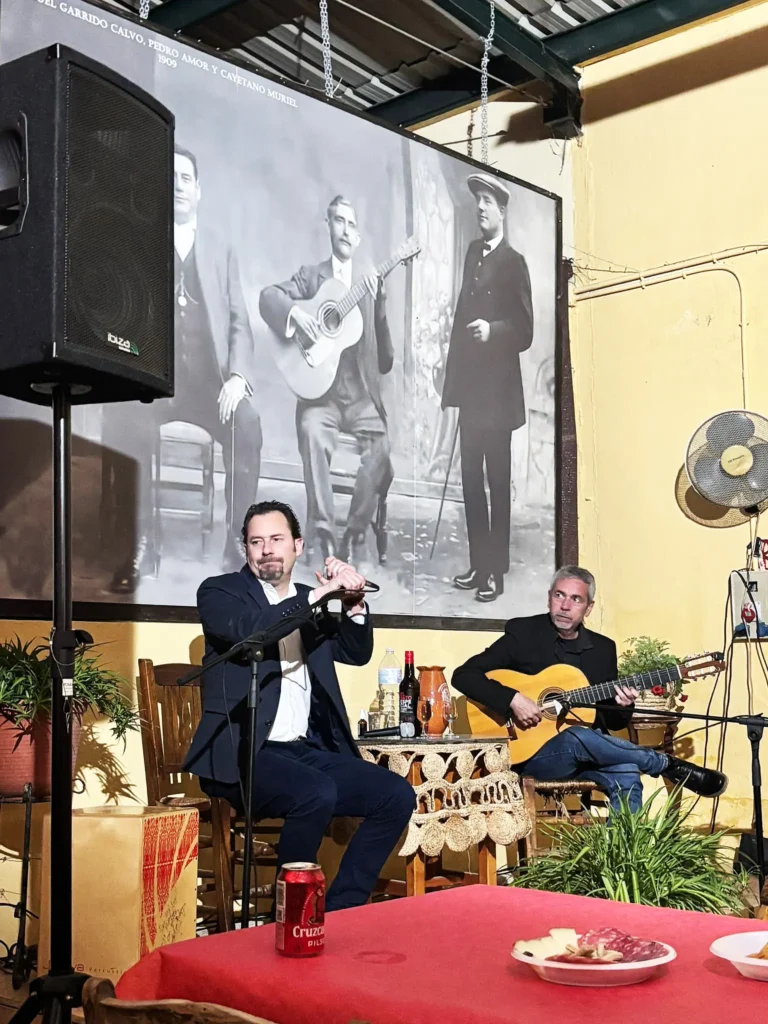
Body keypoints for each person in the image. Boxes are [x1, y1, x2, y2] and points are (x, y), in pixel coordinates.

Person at [184, 499, 414, 911]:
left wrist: (353, 603)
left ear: (298, 545)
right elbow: (251, 631)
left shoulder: (311, 599)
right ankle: (293, 914)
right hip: (242, 754)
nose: (266, 550)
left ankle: (341, 910)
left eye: (276, 539)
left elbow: (354, 653)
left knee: (395, 794)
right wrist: (322, 594)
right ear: (245, 549)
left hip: (303, 751)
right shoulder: (220, 592)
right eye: (256, 542)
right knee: (315, 792)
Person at [105, 145, 262, 591]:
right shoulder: (140, 245)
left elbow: (239, 321)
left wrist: (238, 377)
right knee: (125, 420)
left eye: (186, 178)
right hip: (157, 384)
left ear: (199, 191)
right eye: (170, 178)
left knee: (248, 425)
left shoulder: (221, 250)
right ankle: (138, 545)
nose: (178, 186)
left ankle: (237, 546)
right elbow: (121, 315)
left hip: (211, 387)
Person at [452, 566, 727, 812]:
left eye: (576, 599)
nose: (565, 606)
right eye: (559, 595)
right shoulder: (523, 634)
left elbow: (610, 721)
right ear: (549, 598)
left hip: (588, 755)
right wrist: (512, 699)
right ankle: (667, 765)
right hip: (531, 757)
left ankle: (622, 852)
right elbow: (463, 675)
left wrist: (623, 704)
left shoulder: (602, 649)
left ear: (589, 607)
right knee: (577, 736)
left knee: (627, 773)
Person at [259, 196, 394, 566]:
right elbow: (268, 297)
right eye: (339, 221)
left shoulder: (368, 286)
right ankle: (324, 533)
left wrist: (380, 304)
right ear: (329, 227)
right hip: (322, 398)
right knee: (312, 433)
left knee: (381, 447)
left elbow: (386, 361)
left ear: (359, 237)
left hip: (360, 398)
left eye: (352, 224)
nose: (345, 230)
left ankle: (354, 532)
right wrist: (296, 313)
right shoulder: (311, 277)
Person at [442, 172, 534, 604]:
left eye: (486, 202)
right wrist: (453, 388)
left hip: (498, 398)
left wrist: (493, 330)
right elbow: (460, 321)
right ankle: (479, 564)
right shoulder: (472, 255)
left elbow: (525, 330)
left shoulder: (514, 262)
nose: (479, 207)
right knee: (469, 483)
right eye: (476, 200)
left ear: (502, 211)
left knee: (497, 483)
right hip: (472, 394)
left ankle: (495, 571)